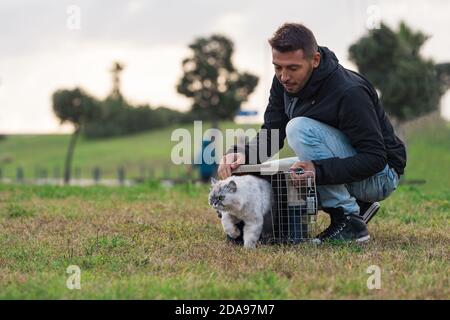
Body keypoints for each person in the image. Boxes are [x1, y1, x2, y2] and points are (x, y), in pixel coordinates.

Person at [218, 23, 406, 243]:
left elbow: (375, 158)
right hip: (345, 163)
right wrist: (243, 155)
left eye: (292, 68)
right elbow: (272, 132)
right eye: (277, 67)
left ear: (315, 60)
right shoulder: (283, 83)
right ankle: (358, 205)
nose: (284, 76)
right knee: (274, 171)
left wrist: (317, 170)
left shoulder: (349, 92)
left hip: (381, 175)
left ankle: (349, 220)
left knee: (298, 129)